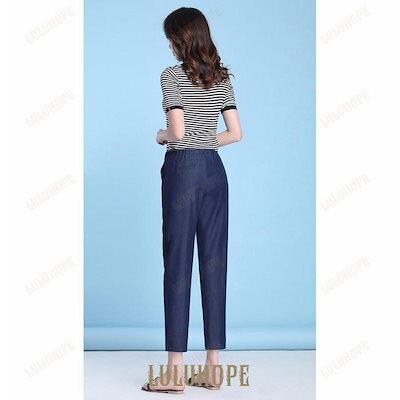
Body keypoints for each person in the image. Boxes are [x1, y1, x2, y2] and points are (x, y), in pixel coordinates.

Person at [142, 7, 242, 394]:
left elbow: (178, 132)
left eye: (171, 38)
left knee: (178, 265)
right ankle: (213, 369)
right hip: (215, 172)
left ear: (180, 39)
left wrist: (160, 135)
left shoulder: (171, 76)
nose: (169, 45)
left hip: (183, 172)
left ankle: (174, 373)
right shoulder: (222, 77)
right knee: (215, 264)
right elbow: (235, 134)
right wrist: (205, 142)